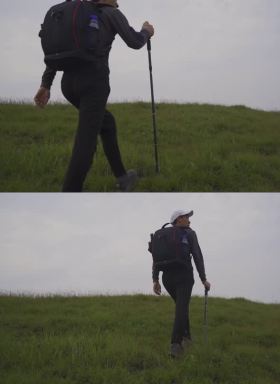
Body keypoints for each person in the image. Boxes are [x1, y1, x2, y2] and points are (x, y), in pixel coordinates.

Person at [34, 0, 155, 192]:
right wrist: (146, 31)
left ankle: (123, 178)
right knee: (86, 142)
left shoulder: (76, 13)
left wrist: (45, 85)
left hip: (69, 85)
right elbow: (135, 41)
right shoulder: (111, 13)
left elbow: (60, 51)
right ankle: (70, 191)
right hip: (93, 85)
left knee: (107, 123)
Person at [153, 209, 211, 358]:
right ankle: (175, 345)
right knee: (181, 309)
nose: (189, 220)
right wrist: (203, 279)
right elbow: (197, 256)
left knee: (181, 307)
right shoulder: (189, 233)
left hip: (167, 279)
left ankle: (187, 338)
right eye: (186, 217)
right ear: (178, 220)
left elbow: (156, 258)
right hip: (184, 277)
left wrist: (156, 280)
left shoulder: (162, 236)